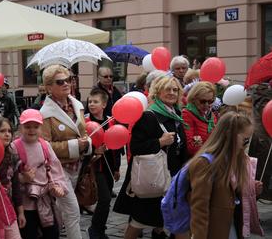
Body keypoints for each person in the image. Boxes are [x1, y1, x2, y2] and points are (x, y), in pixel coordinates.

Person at [114, 76, 188, 239]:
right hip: (154, 177)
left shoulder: (176, 114)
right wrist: (159, 142)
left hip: (172, 175)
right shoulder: (149, 115)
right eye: (167, 89)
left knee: (166, 220)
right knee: (140, 222)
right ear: (157, 91)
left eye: (175, 90)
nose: (171, 93)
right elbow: (136, 147)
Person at [188, 111, 264, 239]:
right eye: (245, 140)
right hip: (215, 230)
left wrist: (251, 189)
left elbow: (232, 193)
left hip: (230, 225)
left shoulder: (237, 159)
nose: (246, 146)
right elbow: (199, 209)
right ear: (230, 136)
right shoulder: (205, 163)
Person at [40, 64, 92, 239]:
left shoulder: (76, 105)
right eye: (60, 81)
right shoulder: (45, 113)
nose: (66, 84)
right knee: (72, 211)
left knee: (61, 211)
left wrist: (87, 142)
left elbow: (83, 132)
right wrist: (75, 145)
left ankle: (48, 233)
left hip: (77, 166)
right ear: (48, 87)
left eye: (68, 79)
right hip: (58, 170)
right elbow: (45, 146)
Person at [12, 109, 67, 239]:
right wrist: (22, 178)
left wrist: (58, 186)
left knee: (52, 234)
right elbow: (9, 174)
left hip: (45, 201)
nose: (32, 130)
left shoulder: (45, 145)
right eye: (27, 127)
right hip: (25, 205)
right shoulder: (14, 147)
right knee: (28, 234)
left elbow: (55, 169)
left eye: (35, 127)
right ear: (20, 128)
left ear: (41, 128)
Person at [85, 88, 121, 239]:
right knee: (105, 198)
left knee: (106, 202)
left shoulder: (111, 121)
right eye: (90, 101)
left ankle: (99, 229)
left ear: (104, 104)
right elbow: (82, 144)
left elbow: (118, 145)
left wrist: (117, 168)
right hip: (94, 167)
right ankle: (95, 229)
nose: (92, 104)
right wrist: (94, 151)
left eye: (95, 101)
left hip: (108, 167)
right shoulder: (86, 121)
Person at [182, 81, 218, 157]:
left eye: (210, 101)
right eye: (203, 101)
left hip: (211, 157)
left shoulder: (212, 115)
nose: (207, 105)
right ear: (194, 98)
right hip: (198, 160)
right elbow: (190, 147)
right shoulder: (187, 114)